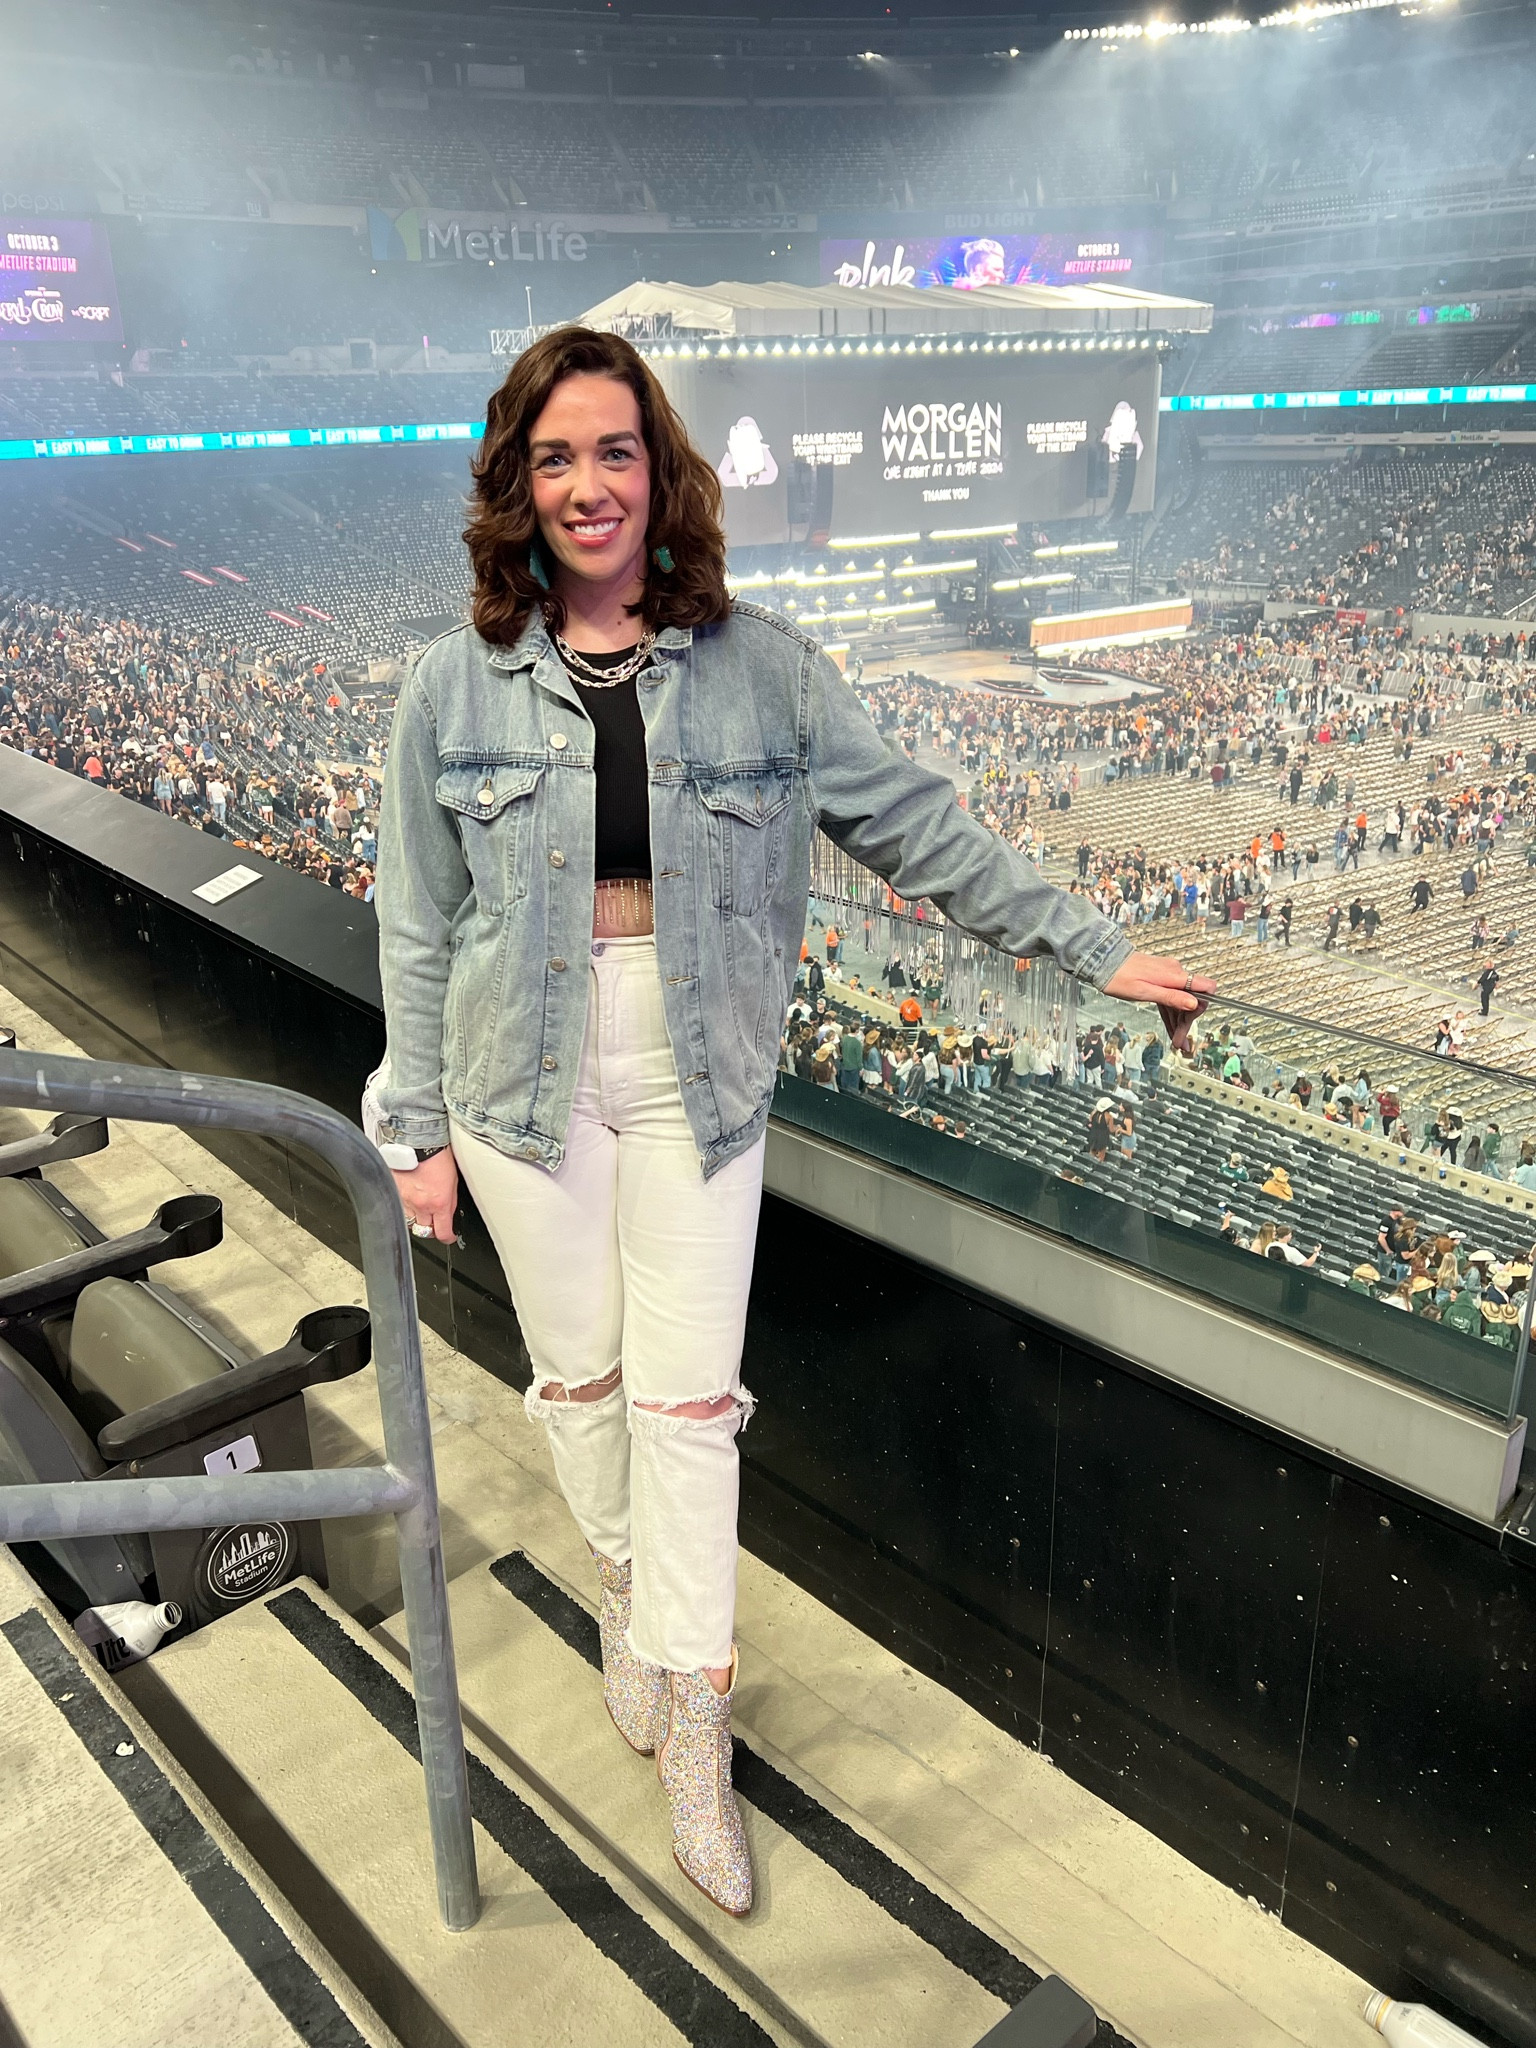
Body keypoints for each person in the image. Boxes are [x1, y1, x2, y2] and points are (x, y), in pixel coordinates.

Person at [369, 325, 1215, 1917]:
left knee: (689, 1410)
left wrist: (1095, 946)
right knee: (581, 1385)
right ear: (517, 486)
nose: (588, 484)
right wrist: (412, 1125)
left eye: (614, 451)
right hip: (513, 1087)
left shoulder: (766, 669)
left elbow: (916, 827)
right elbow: (419, 924)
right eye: (555, 458)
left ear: (661, 470)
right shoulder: (449, 684)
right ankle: (628, 1590)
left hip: (699, 1080)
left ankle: (698, 1701)